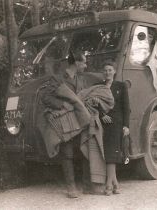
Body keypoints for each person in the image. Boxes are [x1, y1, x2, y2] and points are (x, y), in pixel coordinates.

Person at [39, 51, 90, 198]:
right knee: (67, 153)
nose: (85, 66)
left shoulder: (81, 80)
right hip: (65, 122)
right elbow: (45, 97)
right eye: (84, 63)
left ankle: (87, 186)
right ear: (76, 63)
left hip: (79, 120)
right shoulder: (58, 79)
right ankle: (71, 187)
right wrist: (62, 104)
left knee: (84, 149)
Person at [100, 60, 130, 196]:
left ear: (114, 72)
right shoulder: (98, 87)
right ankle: (115, 183)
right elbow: (93, 105)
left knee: (112, 152)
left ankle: (108, 184)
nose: (107, 72)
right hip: (102, 124)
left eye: (110, 70)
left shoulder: (121, 86)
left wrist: (126, 126)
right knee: (108, 152)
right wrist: (102, 115)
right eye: (105, 70)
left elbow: (126, 107)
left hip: (116, 123)